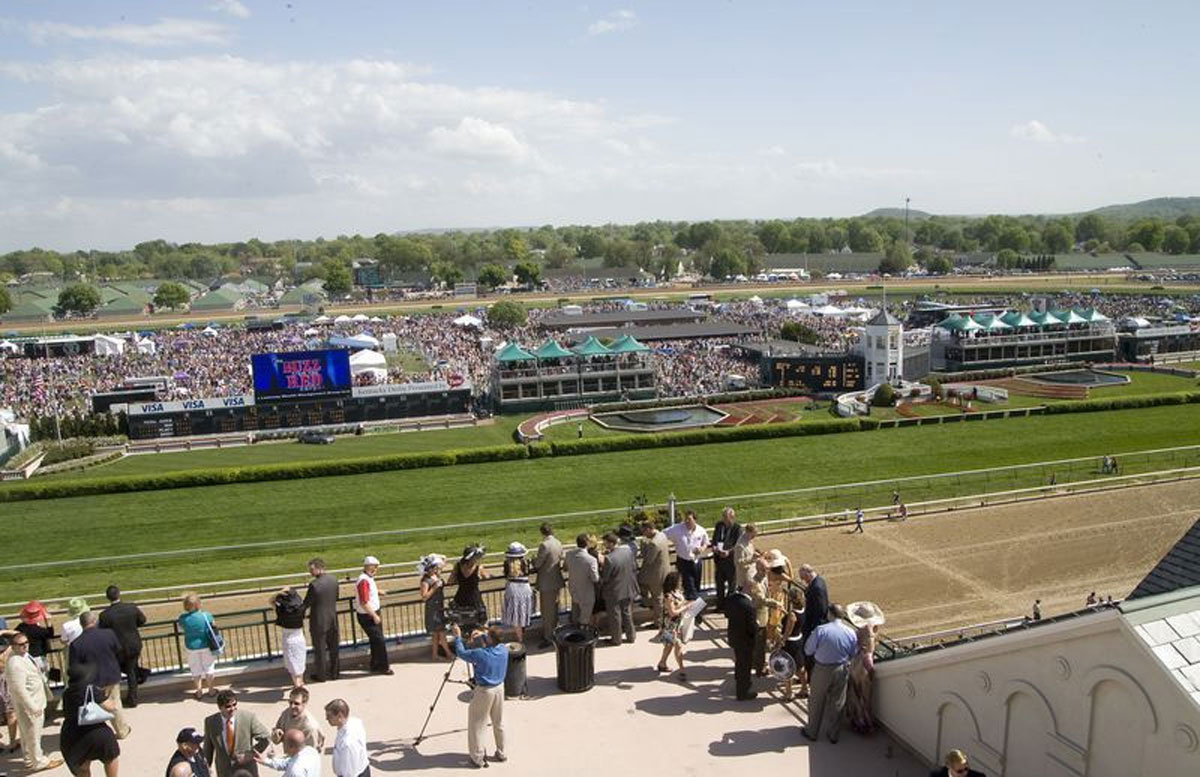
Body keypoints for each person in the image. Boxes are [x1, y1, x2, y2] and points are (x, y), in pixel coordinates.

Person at [449, 624, 508, 769]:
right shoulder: (503, 649)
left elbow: (461, 653)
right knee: (498, 722)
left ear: (490, 639)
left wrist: (457, 636)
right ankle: (502, 752)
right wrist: (482, 634)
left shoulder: (480, 654)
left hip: (484, 691)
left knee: (477, 724)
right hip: (500, 689)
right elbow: (491, 640)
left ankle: (478, 757)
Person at [3, 632, 63, 771]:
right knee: (33, 735)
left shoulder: (23, 656)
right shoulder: (15, 663)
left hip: (35, 701)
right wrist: (32, 707)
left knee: (27, 734)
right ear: (13, 646)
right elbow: (19, 690)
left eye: (26, 643)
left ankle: (29, 759)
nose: (25, 646)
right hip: (30, 705)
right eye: (21, 644)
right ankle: (39, 761)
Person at [69, 610, 132, 740]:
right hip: (111, 675)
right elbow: (118, 650)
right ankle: (122, 730)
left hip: (91, 681)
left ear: (81, 624)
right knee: (115, 704)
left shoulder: (76, 644)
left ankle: (97, 732)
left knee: (95, 707)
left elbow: (74, 667)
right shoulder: (109, 634)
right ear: (94, 621)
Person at [801, 604, 859, 744]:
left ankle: (812, 731)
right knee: (838, 701)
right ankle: (833, 733)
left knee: (816, 701)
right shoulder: (850, 632)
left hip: (822, 669)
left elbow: (808, 650)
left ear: (830, 614)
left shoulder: (821, 630)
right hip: (841, 668)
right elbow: (853, 653)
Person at [60, 662, 121, 777]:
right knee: (111, 756)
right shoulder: (90, 689)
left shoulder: (67, 693)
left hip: (73, 736)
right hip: (96, 732)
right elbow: (111, 707)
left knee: (82, 766)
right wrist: (106, 693)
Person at [98, 585, 146, 708]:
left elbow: (102, 631)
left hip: (117, 648)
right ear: (119, 594)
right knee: (131, 671)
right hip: (133, 645)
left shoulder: (104, 615)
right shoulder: (131, 608)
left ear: (107, 598)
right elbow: (142, 621)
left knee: (119, 672)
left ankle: (117, 699)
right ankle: (133, 698)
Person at [202, 689, 270, 777]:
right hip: (224, 771)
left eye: (234, 705)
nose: (232, 709)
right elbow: (208, 748)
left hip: (246, 770)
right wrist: (205, 768)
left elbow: (265, 737)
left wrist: (249, 754)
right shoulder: (210, 722)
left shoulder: (248, 718)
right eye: (228, 706)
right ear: (220, 707)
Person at [845, 601, 885, 734]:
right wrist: (871, 670)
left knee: (855, 693)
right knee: (865, 696)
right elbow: (869, 653)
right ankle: (865, 723)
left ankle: (857, 721)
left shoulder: (860, 631)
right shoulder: (870, 634)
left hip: (856, 662)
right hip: (864, 665)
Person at [301, 558, 340, 683]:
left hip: (318, 622)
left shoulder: (314, 584)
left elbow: (306, 603)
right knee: (334, 648)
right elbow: (336, 597)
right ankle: (335, 673)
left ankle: (321, 676)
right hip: (333, 619)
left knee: (320, 650)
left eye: (311, 569)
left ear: (319, 568)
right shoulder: (334, 580)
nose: (310, 572)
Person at [599, 532, 639, 646]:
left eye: (605, 543)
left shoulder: (609, 559)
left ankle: (616, 639)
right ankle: (631, 636)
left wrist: (602, 565)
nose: (604, 545)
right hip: (628, 587)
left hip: (614, 592)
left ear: (611, 543)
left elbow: (605, 577)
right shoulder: (628, 551)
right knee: (627, 613)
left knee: (615, 616)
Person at [353, 556, 391, 676]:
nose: (376, 569)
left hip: (370, 614)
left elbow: (368, 592)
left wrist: (378, 591)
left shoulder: (367, 578)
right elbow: (364, 602)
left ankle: (375, 664)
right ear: (368, 567)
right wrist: (374, 615)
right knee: (379, 641)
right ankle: (384, 666)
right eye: (374, 567)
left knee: (375, 641)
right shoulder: (364, 580)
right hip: (368, 616)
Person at [798, 564, 829, 699]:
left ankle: (811, 684)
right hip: (812, 626)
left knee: (810, 657)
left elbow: (820, 610)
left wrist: (813, 630)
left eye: (803, 578)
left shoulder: (817, 587)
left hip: (813, 627)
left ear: (808, 574)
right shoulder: (818, 583)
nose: (803, 581)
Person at [179, 593, 218, 700]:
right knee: (209, 668)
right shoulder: (206, 615)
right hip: (206, 645)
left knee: (195, 669)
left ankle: (199, 691)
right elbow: (214, 625)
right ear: (198, 604)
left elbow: (183, 627)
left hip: (191, 647)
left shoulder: (182, 618)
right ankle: (211, 690)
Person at [531, 523, 564, 649]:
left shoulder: (544, 545)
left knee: (547, 612)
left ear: (542, 532)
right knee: (555, 609)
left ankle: (549, 637)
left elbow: (538, 564)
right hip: (556, 580)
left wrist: (534, 561)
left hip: (547, 582)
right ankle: (555, 633)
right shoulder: (558, 542)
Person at [663, 510, 708, 602]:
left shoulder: (701, 530)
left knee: (696, 587)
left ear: (695, 520)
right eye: (685, 519)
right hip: (683, 562)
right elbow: (662, 534)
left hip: (696, 562)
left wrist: (702, 548)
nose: (687, 521)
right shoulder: (676, 529)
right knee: (690, 589)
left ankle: (692, 611)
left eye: (689, 519)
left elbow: (706, 542)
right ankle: (696, 613)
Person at [724, 584, 758, 701]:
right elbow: (752, 628)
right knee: (745, 665)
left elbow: (726, 614)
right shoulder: (749, 606)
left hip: (734, 637)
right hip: (745, 641)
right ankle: (742, 692)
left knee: (739, 663)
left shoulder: (731, 599)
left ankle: (741, 683)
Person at [272, 588, 308, 690]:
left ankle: (298, 688)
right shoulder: (301, 607)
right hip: (300, 638)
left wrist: (278, 592)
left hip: (289, 640)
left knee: (293, 668)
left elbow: (271, 601)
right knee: (299, 665)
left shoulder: (283, 611)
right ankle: (300, 684)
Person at [637, 521, 671, 629]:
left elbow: (648, 559)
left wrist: (643, 546)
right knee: (645, 586)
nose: (643, 534)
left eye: (643, 531)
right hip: (663, 570)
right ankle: (649, 604)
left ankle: (658, 622)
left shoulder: (654, 543)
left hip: (656, 574)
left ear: (648, 529)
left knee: (657, 598)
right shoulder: (662, 535)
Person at [324, 699, 370, 777]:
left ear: (339, 716)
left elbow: (349, 772)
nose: (326, 719)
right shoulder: (356, 722)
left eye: (329, 716)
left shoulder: (347, 743)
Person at [654, 572, 687, 680]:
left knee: (669, 646)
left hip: (677, 624)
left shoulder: (677, 592)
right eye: (679, 581)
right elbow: (672, 612)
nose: (681, 582)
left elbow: (681, 603)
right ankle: (682, 670)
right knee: (678, 647)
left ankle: (662, 663)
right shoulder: (668, 596)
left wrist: (687, 604)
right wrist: (686, 607)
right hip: (671, 627)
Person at [418, 554, 450, 660]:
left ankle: (435, 655)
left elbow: (444, 560)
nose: (435, 568)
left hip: (439, 607)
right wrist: (434, 588)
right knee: (441, 633)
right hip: (433, 609)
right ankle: (448, 653)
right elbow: (424, 597)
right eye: (433, 567)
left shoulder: (436, 574)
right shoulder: (425, 580)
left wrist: (437, 555)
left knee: (436, 634)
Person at [500, 543, 533, 643]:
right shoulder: (526, 562)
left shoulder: (507, 564)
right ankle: (521, 635)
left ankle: (520, 639)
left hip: (513, 589)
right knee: (523, 613)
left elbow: (506, 575)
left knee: (515, 616)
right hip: (525, 589)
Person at [449, 546, 489, 628]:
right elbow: (487, 577)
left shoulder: (458, 566)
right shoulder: (479, 568)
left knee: (460, 623)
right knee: (480, 622)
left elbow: (450, 581)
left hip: (460, 598)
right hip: (474, 599)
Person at [778, 586, 806, 700]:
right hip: (799, 639)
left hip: (790, 643)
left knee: (787, 666)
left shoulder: (792, 615)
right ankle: (804, 688)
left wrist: (782, 640)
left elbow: (788, 630)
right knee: (800, 666)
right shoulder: (803, 609)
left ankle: (788, 693)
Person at [565, 534, 599, 627]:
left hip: (573, 589)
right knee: (584, 619)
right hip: (586, 592)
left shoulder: (569, 554)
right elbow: (595, 578)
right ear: (587, 543)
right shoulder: (591, 560)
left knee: (575, 615)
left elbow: (566, 567)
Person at [710, 507, 742, 607]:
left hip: (730, 562)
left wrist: (729, 552)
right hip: (719, 560)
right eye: (723, 516)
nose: (723, 518)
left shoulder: (737, 528)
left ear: (732, 517)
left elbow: (738, 545)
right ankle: (720, 605)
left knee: (731, 585)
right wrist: (714, 546)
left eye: (725, 517)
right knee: (719, 585)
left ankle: (729, 606)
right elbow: (714, 539)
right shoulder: (719, 526)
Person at [16, 601, 55, 671]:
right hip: (39, 658)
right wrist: (48, 621)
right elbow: (50, 635)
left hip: (26, 658)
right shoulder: (40, 630)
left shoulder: (20, 628)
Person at [732, 523, 759, 591]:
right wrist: (751, 558)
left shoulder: (749, 540)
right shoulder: (740, 545)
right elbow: (738, 562)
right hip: (744, 578)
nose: (754, 536)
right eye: (753, 534)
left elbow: (750, 552)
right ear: (748, 532)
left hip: (752, 574)